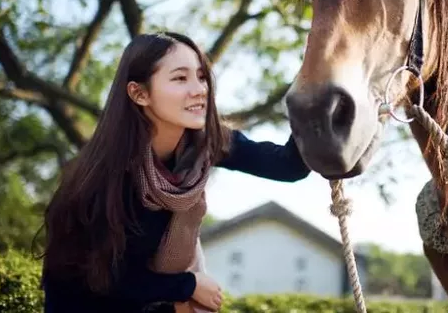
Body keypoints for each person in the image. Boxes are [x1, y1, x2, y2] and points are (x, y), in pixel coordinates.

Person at [39, 32, 311, 313]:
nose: (199, 89)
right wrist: (188, 285)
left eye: (201, 76)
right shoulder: (105, 176)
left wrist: (313, 77)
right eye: (180, 78)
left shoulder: (206, 143)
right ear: (139, 93)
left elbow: (288, 166)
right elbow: (107, 280)